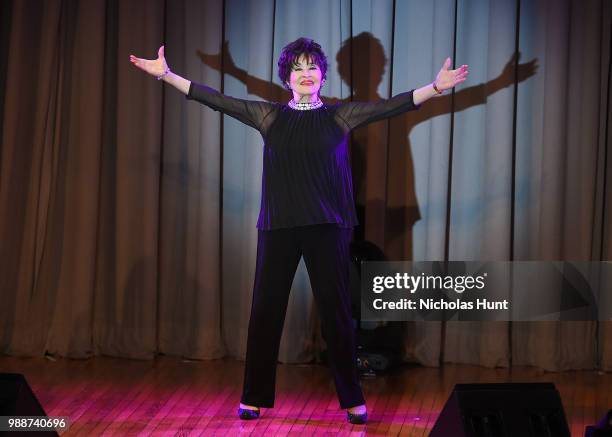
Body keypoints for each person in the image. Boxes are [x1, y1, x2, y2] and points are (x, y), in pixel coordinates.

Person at [130, 37, 468, 425]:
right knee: (265, 312)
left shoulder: (340, 116)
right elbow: (214, 98)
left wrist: (437, 86)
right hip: (279, 228)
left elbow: (391, 106)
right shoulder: (269, 116)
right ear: (287, 77)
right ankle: (253, 397)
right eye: (298, 68)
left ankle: (352, 399)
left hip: (329, 227)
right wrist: (168, 76)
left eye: (312, 67)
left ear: (322, 75)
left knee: (337, 313)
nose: (305, 74)